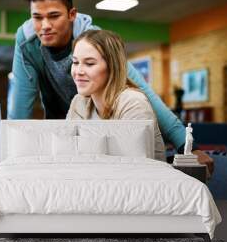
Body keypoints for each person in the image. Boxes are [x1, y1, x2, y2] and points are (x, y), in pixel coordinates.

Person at [7, 0, 214, 172]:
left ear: (72, 15)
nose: (45, 26)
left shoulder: (95, 42)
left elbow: (141, 89)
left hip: (111, 125)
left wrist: (186, 147)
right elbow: (20, 102)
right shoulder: (27, 42)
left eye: (54, 16)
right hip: (69, 119)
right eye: (37, 17)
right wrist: (11, 158)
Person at [66, 30, 165, 161]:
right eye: (75, 62)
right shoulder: (78, 102)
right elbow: (68, 152)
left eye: (89, 63)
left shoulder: (133, 103)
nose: (78, 71)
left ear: (112, 67)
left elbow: (134, 167)